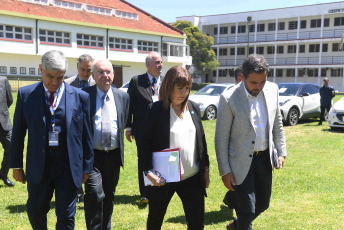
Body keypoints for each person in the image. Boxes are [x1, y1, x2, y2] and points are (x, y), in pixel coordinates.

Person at [9, 50, 94, 230]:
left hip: (68, 168)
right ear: (41, 69)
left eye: (60, 77)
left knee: (66, 216)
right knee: (36, 211)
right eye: (50, 77)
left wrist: (87, 167)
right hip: (39, 165)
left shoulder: (80, 97)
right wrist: (16, 165)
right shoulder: (26, 95)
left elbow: (86, 135)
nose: (54, 82)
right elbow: (18, 133)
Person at [215, 54, 287, 230]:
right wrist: (225, 170)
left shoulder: (273, 90)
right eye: (254, 83)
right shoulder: (228, 98)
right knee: (247, 209)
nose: (259, 87)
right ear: (242, 77)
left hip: (264, 158)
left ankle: (236, 226)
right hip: (240, 161)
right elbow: (221, 138)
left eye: (262, 82)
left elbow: (277, 122)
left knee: (263, 204)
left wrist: (281, 150)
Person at [138, 66, 210, 230]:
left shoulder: (193, 108)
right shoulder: (156, 110)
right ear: (169, 87)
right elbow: (144, 144)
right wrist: (148, 172)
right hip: (164, 178)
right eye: (179, 88)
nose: (184, 92)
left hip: (192, 177)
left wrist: (205, 170)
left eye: (187, 88)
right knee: (155, 221)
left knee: (197, 223)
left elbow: (202, 142)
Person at [83, 59, 129, 230]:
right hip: (92, 156)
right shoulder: (84, 95)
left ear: (113, 74)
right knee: (95, 194)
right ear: (93, 75)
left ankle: (105, 227)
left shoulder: (123, 96)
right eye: (100, 72)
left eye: (108, 72)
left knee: (109, 195)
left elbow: (124, 121)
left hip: (113, 156)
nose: (105, 76)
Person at [126, 51, 163, 204]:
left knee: (159, 159)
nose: (161, 65)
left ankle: (158, 187)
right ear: (148, 65)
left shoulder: (166, 81)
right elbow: (129, 106)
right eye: (157, 62)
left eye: (161, 62)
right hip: (141, 130)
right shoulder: (136, 81)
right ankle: (145, 193)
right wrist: (128, 127)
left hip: (161, 129)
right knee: (144, 160)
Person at [65, 54, 94, 202]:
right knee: (75, 160)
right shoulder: (67, 84)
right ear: (77, 67)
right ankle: (78, 192)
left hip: (93, 130)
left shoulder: (97, 84)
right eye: (82, 69)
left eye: (88, 70)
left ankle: (91, 190)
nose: (85, 73)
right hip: (74, 130)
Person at [222, 65, 244, 208]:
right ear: (240, 78)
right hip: (235, 151)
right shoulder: (229, 97)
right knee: (237, 183)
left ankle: (231, 200)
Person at [0, 76, 14, 187]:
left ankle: (3, 175)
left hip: (4, 122)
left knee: (11, 148)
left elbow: (10, 99)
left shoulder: (3, 80)